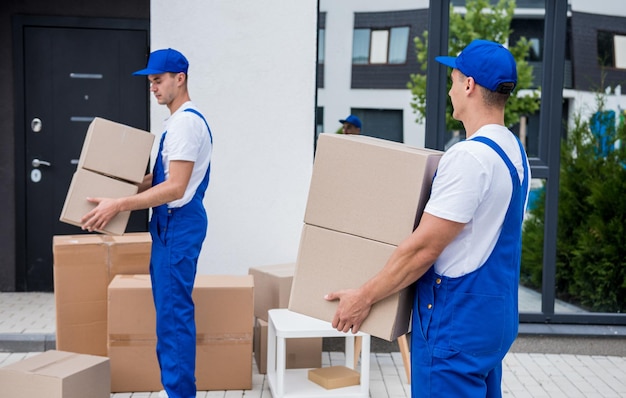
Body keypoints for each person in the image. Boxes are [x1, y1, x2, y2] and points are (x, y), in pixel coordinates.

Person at [325, 39, 530, 398]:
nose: (449, 89)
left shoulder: (470, 159)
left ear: (469, 85)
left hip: (455, 325)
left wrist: (363, 297)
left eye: (453, 79)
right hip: (492, 320)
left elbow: (422, 249)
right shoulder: (513, 152)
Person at [80, 48, 213, 398]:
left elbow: (175, 187)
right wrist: (115, 186)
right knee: (169, 316)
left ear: (179, 78)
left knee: (173, 319)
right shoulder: (178, 121)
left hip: (178, 223)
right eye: (150, 81)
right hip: (171, 224)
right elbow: (161, 177)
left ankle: (180, 394)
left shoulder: (186, 123)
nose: (152, 87)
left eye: (158, 80)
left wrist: (118, 204)